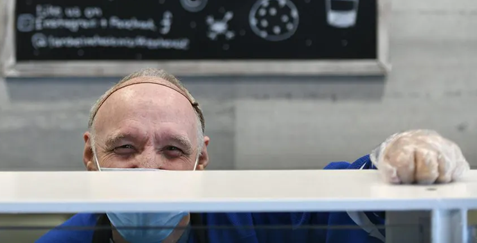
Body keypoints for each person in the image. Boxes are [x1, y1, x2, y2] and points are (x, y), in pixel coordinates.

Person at [36, 68, 470, 243]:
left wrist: (397, 159)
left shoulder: (257, 223)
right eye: (125, 148)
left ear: (201, 161)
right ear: (90, 155)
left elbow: (345, 206)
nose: (149, 168)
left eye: (173, 150)